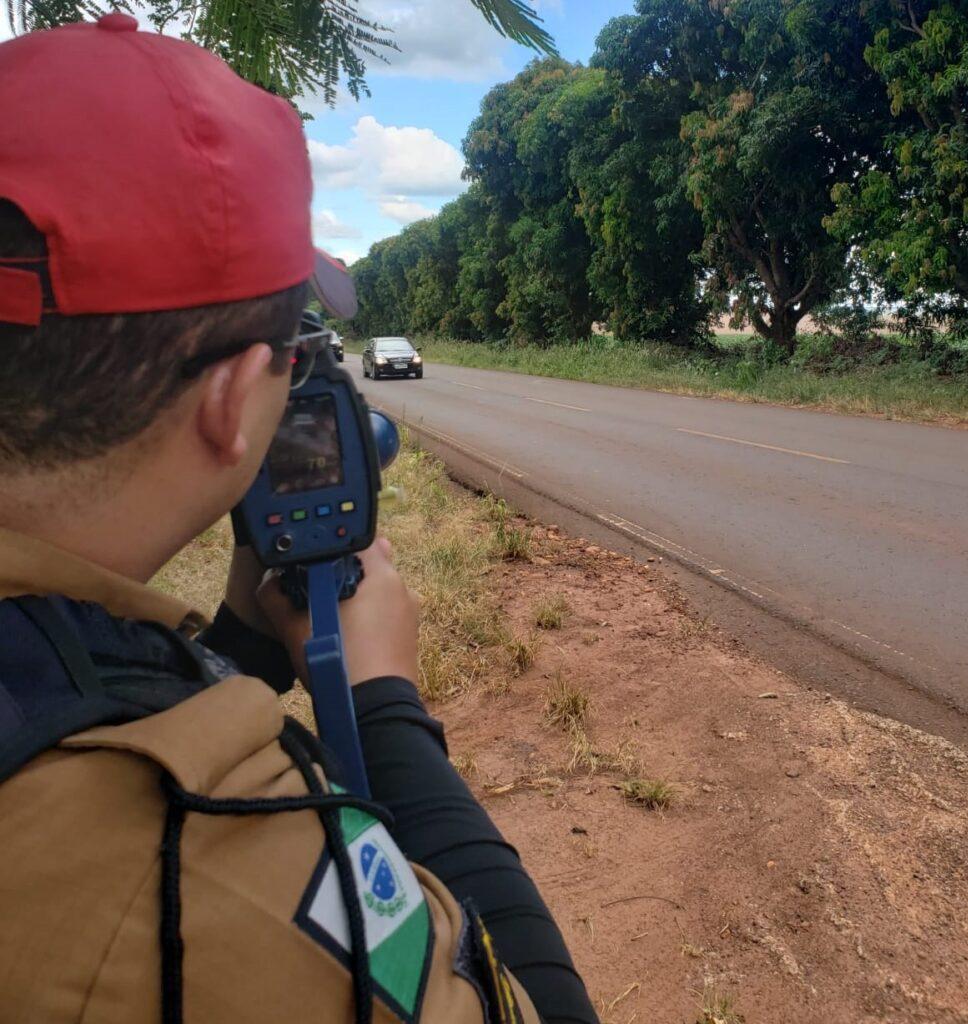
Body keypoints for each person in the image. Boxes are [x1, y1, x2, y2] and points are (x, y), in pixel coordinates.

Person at [0, 15, 597, 1024]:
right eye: (294, 350)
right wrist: (379, 702)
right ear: (233, 401)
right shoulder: (205, 862)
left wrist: (240, 641)